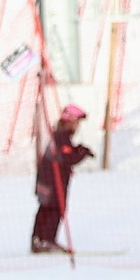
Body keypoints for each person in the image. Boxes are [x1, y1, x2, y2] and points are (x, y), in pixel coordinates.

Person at [32, 105, 94, 254]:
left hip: (47, 179)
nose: (78, 126)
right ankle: (46, 240)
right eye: (77, 122)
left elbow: (65, 154)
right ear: (70, 121)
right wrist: (82, 153)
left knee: (46, 208)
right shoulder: (62, 136)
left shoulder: (59, 135)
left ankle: (38, 240)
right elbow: (67, 159)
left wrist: (78, 149)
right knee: (55, 208)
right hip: (53, 182)